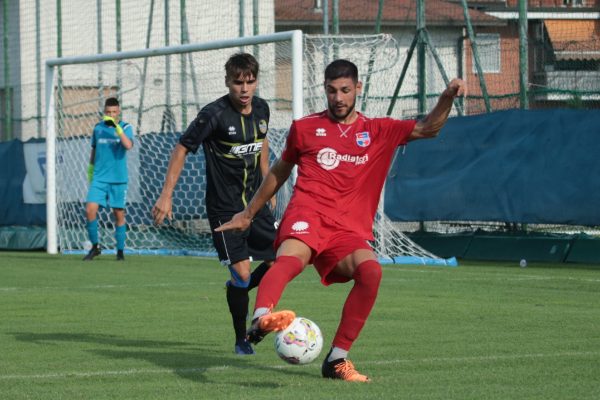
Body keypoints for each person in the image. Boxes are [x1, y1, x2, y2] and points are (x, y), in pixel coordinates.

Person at [215, 59, 467, 382]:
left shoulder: (379, 131)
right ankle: (262, 317)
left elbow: (429, 127)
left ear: (358, 89)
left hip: (347, 230)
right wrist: (248, 213)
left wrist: (447, 96)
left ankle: (336, 360)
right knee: (289, 260)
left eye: (345, 90)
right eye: (332, 91)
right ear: (324, 90)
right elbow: (280, 170)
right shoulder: (305, 129)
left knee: (371, 272)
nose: (338, 98)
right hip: (307, 215)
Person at [151, 53, 277, 356]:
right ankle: (241, 338)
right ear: (227, 82)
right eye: (237, 83)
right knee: (244, 274)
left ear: (256, 81)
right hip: (224, 209)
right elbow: (182, 147)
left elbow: (262, 144)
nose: (244, 89)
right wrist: (166, 195)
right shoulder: (214, 115)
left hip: (255, 205)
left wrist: (267, 181)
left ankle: (238, 290)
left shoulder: (262, 108)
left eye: (249, 82)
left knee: (278, 261)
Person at [84, 97, 135, 261]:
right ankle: (95, 247)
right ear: (104, 112)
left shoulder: (126, 127)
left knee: (118, 214)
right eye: (108, 112)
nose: (110, 115)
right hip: (99, 178)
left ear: (118, 112)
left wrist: (117, 129)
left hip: (118, 179)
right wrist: (90, 171)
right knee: (90, 210)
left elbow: (128, 145)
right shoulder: (98, 128)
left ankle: (120, 252)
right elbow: (94, 150)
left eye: (114, 112)